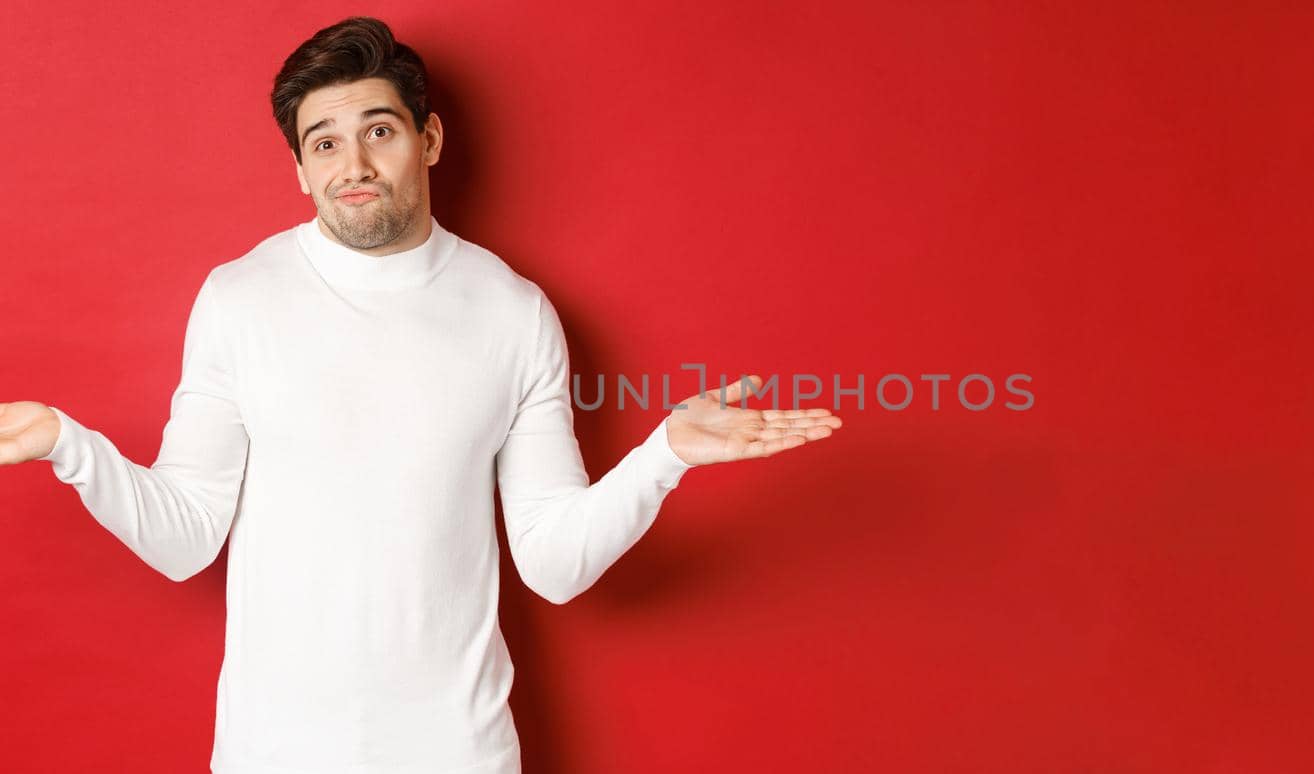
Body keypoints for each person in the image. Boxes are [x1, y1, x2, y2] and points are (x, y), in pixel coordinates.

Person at [0, 15, 841, 774]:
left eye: (378, 130)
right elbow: (185, 537)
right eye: (323, 143)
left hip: (460, 754)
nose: (353, 164)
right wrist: (65, 443)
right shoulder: (239, 298)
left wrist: (665, 455)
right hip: (273, 754)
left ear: (428, 138)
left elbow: (553, 562)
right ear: (298, 168)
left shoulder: (514, 312)